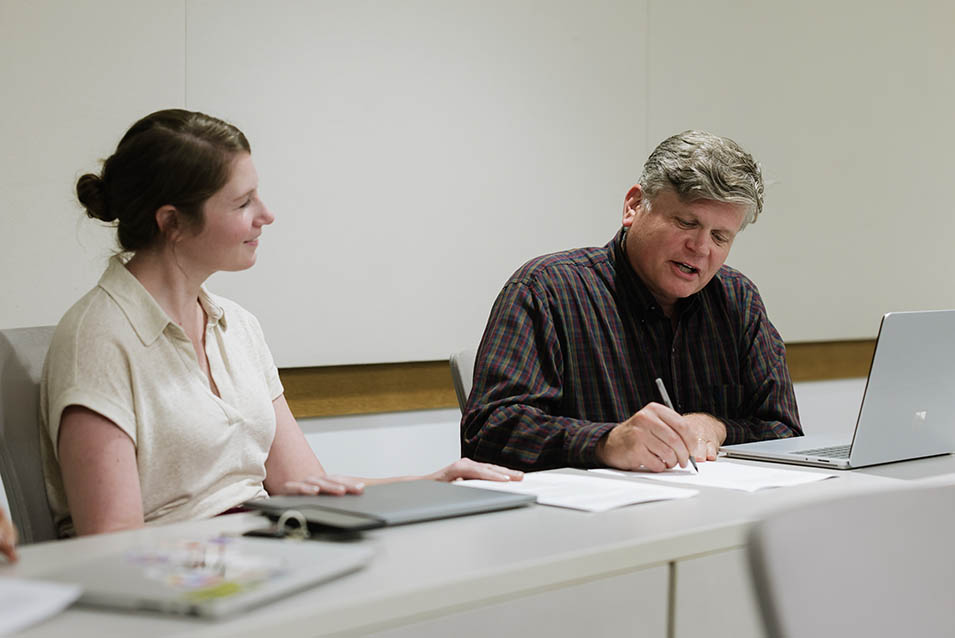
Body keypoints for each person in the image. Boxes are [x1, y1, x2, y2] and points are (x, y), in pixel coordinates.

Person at [40, 109, 521, 538]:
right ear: (173, 223)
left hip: (263, 553)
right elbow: (110, 542)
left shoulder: (239, 327)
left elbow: (300, 486)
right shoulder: (97, 340)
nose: (266, 215)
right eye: (243, 202)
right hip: (180, 586)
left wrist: (434, 482)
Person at [461, 130, 802, 472]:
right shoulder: (547, 290)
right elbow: (488, 433)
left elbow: (785, 432)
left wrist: (718, 427)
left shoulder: (737, 300)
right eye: (686, 223)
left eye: (719, 236)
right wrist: (605, 443)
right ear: (634, 206)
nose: (701, 248)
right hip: (584, 518)